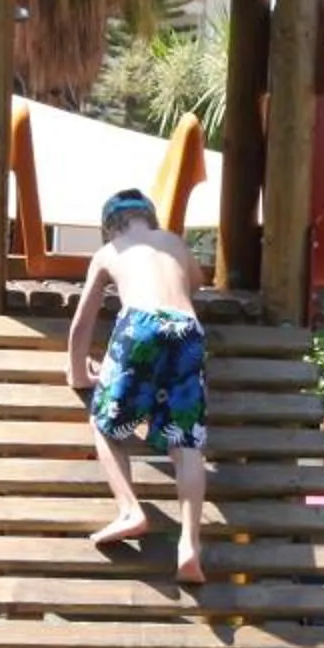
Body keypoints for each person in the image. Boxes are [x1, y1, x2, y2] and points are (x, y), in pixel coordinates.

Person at [66, 188, 211, 582]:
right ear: (151, 218)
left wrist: (77, 373)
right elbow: (196, 282)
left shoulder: (110, 251)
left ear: (110, 225)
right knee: (186, 440)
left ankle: (131, 510)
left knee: (106, 424)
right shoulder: (174, 243)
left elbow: (83, 322)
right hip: (186, 329)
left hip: (140, 326)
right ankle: (190, 545)